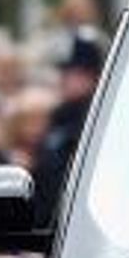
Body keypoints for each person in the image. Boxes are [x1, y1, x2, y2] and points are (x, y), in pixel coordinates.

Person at [31, 32, 103, 228]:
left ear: (92, 76)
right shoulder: (60, 115)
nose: (64, 78)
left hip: (76, 226)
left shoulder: (95, 119)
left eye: (73, 72)